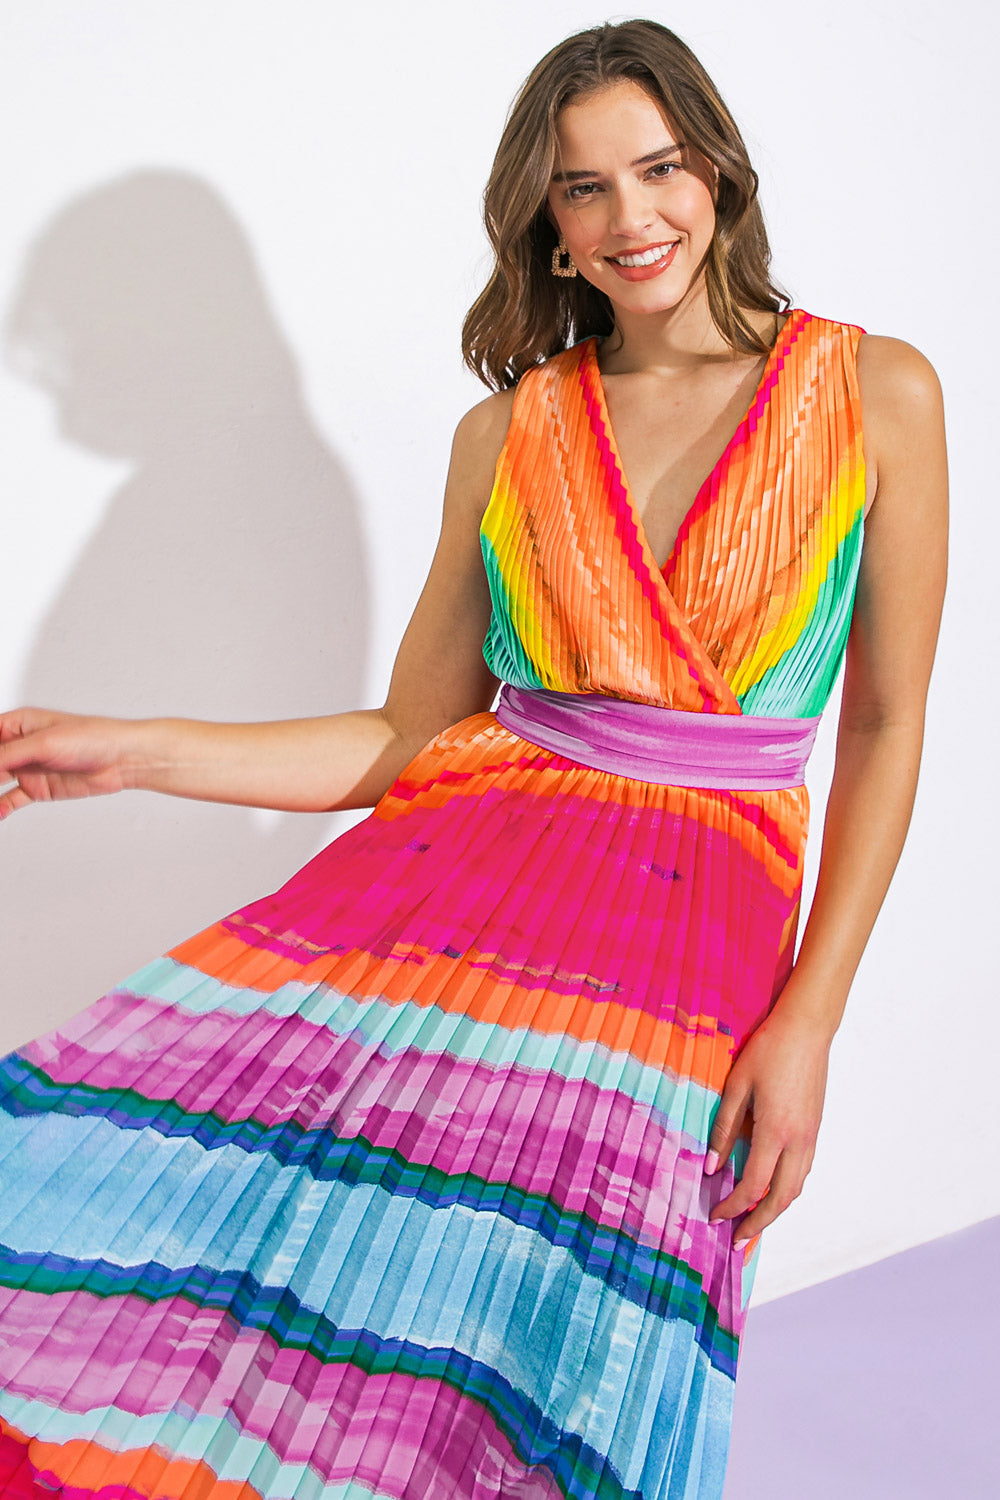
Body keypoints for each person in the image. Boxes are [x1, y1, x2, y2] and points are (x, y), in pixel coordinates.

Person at [0, 16, 946, 1500]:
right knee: (318, 1288)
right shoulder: (513, 430)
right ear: (547, 224)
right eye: (585, 187)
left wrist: (810, 1019)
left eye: (661, 168)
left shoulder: (876, 391)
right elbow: (406, 738)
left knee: (571, 1351)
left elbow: (886, 725)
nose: (632, 216)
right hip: (453, 908)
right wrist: (125, 749)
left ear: (718, 173)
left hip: (691, 954)